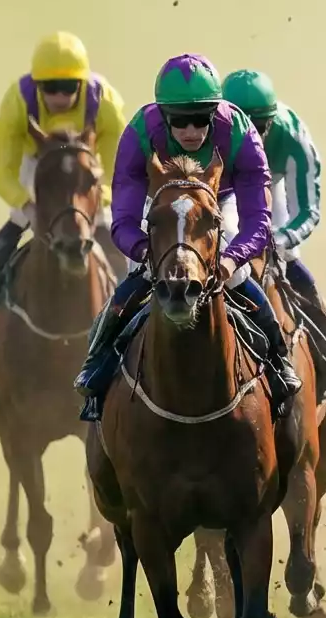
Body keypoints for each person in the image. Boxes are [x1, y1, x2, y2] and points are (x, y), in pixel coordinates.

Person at [76, 55, 299, 422]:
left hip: (218, 199)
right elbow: (124, 220)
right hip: (159, 201)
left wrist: (230, 260)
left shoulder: (240, 132)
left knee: (242, 276)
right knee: (142, 275)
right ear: (163, 115)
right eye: (181, 120)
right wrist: (146, 250)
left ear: (217, 112)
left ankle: (278, 361)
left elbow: (259, 221)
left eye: (202, 117)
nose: (192, 129)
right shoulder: (139, 133)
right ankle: (96, 365)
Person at [0, 30, 130, 343]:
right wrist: (26, 204)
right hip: (38, 163)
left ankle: (135, 304)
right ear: (36, 85)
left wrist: (100, 201)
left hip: (85, 168)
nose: (58, 96)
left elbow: (119, 170)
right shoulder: (17, 101)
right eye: (49, 87)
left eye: (68, 87)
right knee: (17, 221)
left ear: (82, 84)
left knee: (110, 226)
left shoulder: (104, 101)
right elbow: (2, 172)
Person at [224, 68, 326, 389]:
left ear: (273, 120)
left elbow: (306, 210)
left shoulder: (292, 136)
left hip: (270, 189)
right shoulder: (206, 130)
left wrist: (279, 240)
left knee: (288, 258)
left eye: (260, 126)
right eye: (241, 126)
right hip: (226, 192)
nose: (251, 136)